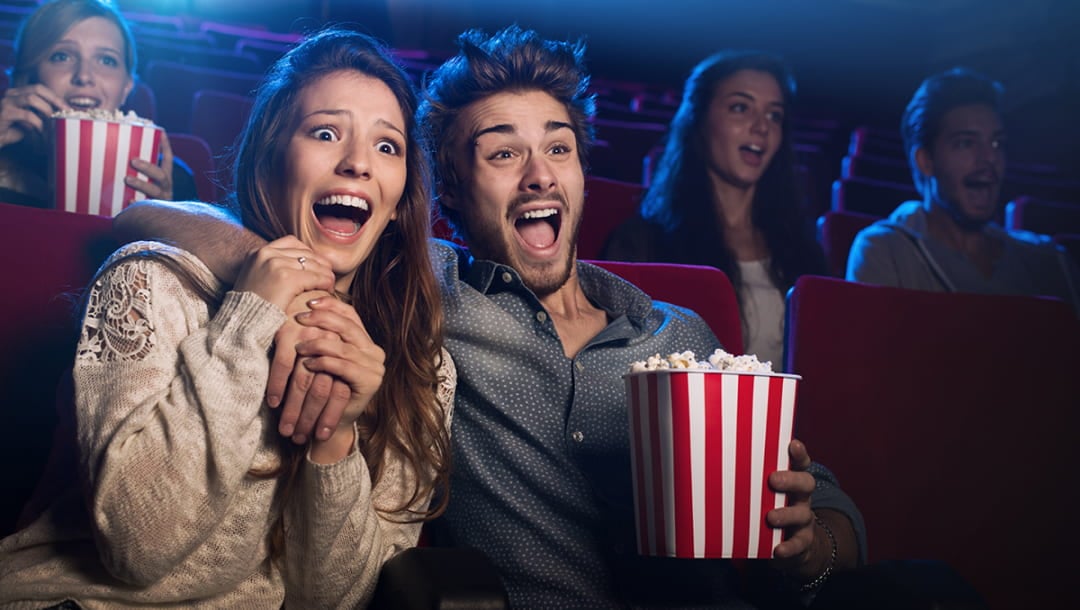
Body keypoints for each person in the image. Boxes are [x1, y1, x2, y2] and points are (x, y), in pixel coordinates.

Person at [112, 25, 865, 608]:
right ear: (448, 199)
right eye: (503, 155)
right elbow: (146, 215)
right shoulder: (420, 290)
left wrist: (806, 545)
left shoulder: (682, 334)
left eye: (559, 149)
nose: (540, 173)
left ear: (579, 173)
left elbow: (833, 517)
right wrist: (272, 273)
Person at [0, 28, 452, 608]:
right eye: (325, 133)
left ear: (397, 203)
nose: (358, 163)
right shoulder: (151, 280)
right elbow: (137, 547)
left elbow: (332, 600)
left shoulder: (420, 366)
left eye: (387, 146)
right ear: (268, 164)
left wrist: (336, 435)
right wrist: (248, 323)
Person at [601, 51, 825, 369]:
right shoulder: (644, 242)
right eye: (740, 108)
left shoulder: (804, 254)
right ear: (699, 121)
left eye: (774, 115)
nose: (762, 127)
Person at [846, 67, 1080, 313]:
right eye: (965, 143)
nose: (990, 157)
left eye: (997, 143)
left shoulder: (1049, 260)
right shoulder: (885, 251)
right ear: (925, 160)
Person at [0, 0, 196, 209]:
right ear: (28, 77)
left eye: (106, 60)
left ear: (126, 87)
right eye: (61, 56)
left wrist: (166, 224)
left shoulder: (171, 181)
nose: (84, 76)